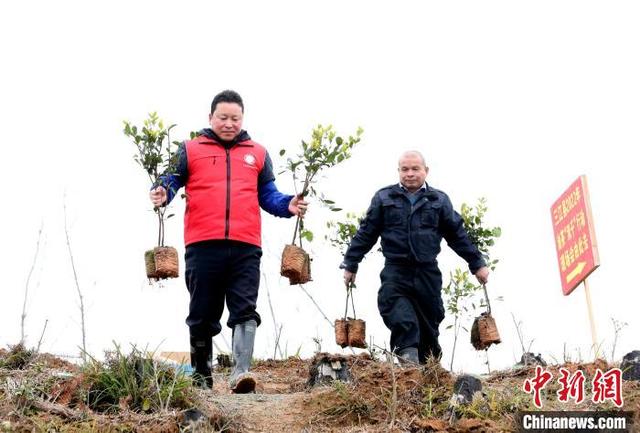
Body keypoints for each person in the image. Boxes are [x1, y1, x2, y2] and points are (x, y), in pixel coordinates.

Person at [149, 90, 307, 393]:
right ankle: (201, 376)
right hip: (202, 243)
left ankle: (240, 373)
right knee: (202, 312)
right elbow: (169, 181)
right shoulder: (189, 149)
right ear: (210, 118)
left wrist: (287, 205)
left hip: (246, 245)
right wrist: (162, 192)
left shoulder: (258, 153)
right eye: (223, 117)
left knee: (245, 308)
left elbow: (268, 195)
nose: (229, 123)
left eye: (235, 118)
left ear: (242, 119)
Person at [340, 150, 489, 365]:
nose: (410, 174)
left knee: (430, 324)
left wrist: (477, 264)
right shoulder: (384, 198)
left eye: (415, 169)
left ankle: (430, 371)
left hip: (427, 273)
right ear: (398, 171)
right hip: (395, 271)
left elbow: (457, 235)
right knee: (401, 317)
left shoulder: (438, 200)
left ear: (426, 171)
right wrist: (351, 263)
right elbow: (366, 233)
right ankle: (408, 366)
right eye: (405, 169)